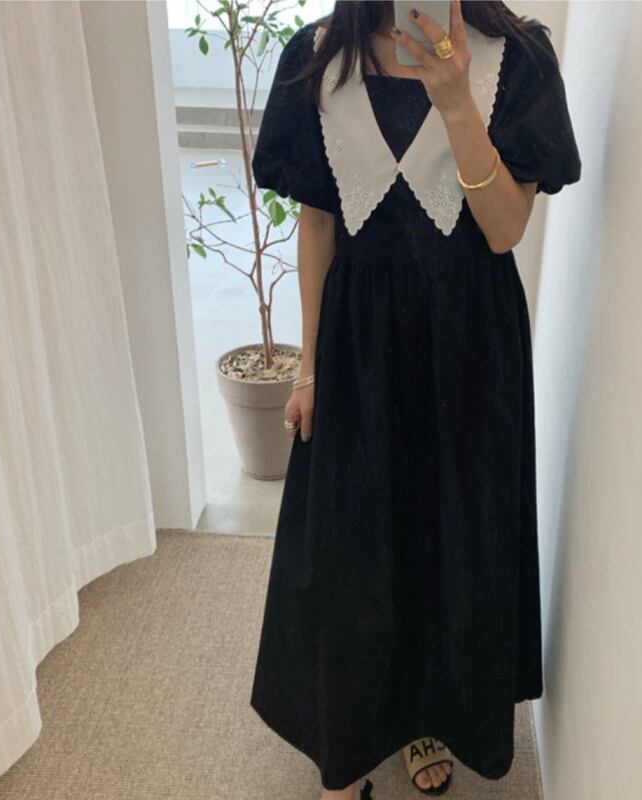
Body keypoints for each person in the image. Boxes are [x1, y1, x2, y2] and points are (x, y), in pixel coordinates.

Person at [249, 2, 581, 798]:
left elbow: (505, 231)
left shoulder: (517, 58)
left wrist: (457, 101)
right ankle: (346, 737)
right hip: (357, 339)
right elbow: (318, 226)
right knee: (348, 544)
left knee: (447, 540)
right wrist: (308, 368)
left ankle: (425, 714)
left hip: (469, 344)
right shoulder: (318, 59)